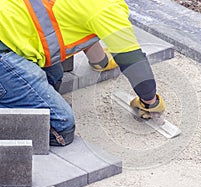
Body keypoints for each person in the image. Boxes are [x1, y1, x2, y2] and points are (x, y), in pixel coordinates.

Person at [0, 0, 165, 146]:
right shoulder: (106, 8)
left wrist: (101, 62)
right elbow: (134, 62)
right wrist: (150, 101)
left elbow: (81, 17)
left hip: (9, 34)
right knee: (60, 125)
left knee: (54, 76)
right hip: (3, 51)